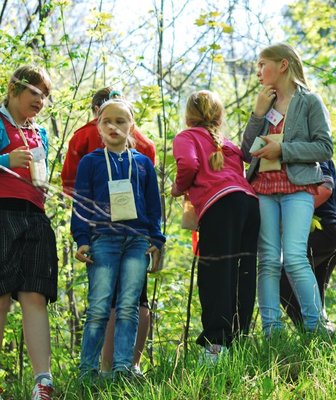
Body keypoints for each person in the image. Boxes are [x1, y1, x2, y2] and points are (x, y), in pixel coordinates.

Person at [61, 87, 156, 376]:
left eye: (121, 121)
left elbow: (153, 204)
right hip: (103, 240)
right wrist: (82, 239)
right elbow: (82, 204)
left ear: (132, 127)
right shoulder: (90, 162)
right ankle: (88, 371)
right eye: (107, 121)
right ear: (98, 126)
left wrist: (157, 239)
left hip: (137, 242)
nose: (114, 126)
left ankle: (123, 368)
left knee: (129, 306)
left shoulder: (142, 163)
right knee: (100, 306)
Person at [241, 43, 333, 336]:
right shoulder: (264, 103)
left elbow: (324, 147)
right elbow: (246, 152)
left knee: (294, 257)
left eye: (261, 64)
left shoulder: (309, 101)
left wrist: (283, 149)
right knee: (267, 260)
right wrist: (257, 114)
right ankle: (272, 333)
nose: (257, 71)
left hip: (298, 187)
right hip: (263, 189)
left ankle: (316, 327)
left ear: (282, 65)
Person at [172, 90, 259, 361]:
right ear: (219, 117)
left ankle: (216, 344)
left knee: (215, 273)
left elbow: (188, 163)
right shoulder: (228, 144)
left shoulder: (186, 137)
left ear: (189, 115)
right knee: (243, 271)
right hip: (249, 204)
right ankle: (239, 338)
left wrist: (178, 187)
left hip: (219, 206)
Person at [0, 65, 56, 399]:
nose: (41, 100)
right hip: (2, 212)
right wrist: (5, 157)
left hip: (35, 215)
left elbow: (41, 174)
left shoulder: (41, 133)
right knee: (1, 297)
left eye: (45, 95)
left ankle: (43, 382)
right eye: (36, 92)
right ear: (15, 88)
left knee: (35, 295)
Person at [279, 159, 336, 329]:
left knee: (282, 276)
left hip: (322, 230)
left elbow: (325, 189)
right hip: (328, 232)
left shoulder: (311, 149)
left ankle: (311, 331)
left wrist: (289, 216)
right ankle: (324, 336)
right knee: (314, 295)